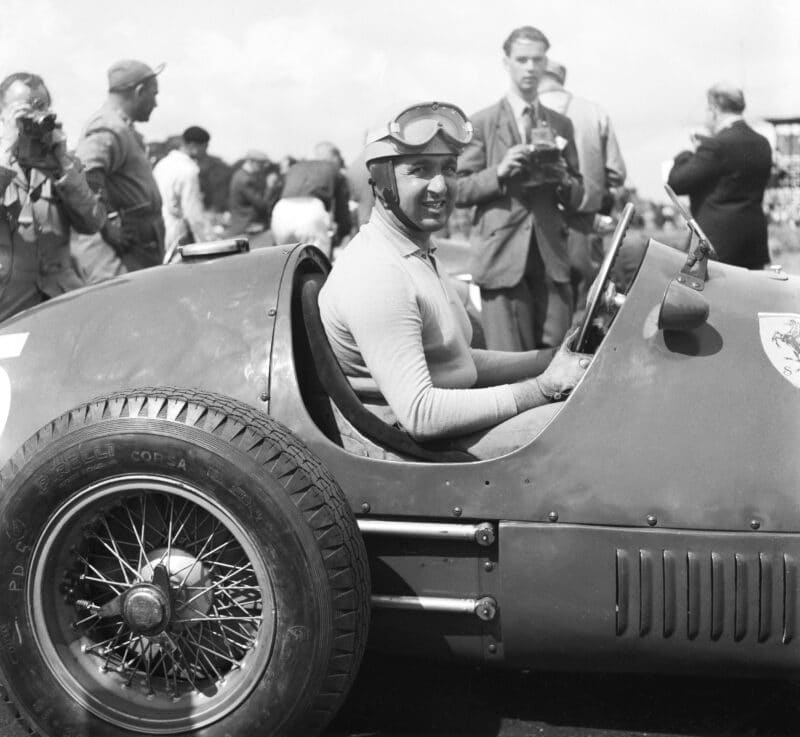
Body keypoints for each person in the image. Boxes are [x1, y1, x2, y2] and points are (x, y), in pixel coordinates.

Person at [319, 101, 590, 460]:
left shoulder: (413, 253)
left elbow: (458, 364)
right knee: (586, 426)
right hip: (418, 454)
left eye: (449, 169)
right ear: (382, 181)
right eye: (420, 170)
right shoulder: (377, 274)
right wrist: (541, 389)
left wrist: (550, 359)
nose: (440, 186)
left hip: (444, 438)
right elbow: (421, 413)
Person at [456, 26, 583, 352]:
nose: (529, 67)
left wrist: (564, 181)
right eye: (522, 59)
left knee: (559, 358)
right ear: (506, 63)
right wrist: (498, 172)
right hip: (501, 260)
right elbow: (457, 190)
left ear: (545, 64)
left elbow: (579, 193)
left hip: (550, 259)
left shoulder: (560, 124)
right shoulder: (482, 123)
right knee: (511, 366)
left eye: (537, 60)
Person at [0, 72, 105, 322]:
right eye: (24, 110)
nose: (33, 118)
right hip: (7, 306)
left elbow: (92, 222)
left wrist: (62, 164)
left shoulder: (62, 164)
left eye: (41, 108)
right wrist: (7, 147)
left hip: (59, 306)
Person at [538, 58, 626, 311]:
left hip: (536, 227)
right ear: (561, 79)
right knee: (585, 311)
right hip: (583, 225)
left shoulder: (523, 111)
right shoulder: (594, 111)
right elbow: (616, 172)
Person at [71, 59, 165, 283]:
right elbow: (83, 178)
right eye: (154, 94)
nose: (156, 103)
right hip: (118, 259)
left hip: (134, 254)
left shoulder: (121, 128)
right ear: (139, 91)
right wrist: (106, 226)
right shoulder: (109, 127)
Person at [667, 82, 773, 269]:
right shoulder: (763, 143)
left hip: (718, 244)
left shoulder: (715, 146)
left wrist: (687, 154)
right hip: (753, 243)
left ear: (714, 109)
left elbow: (677, 182)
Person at [271, 141, 352, 256]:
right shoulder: (332, 168)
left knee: (284, 260)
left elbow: (276, 195)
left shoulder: (295, 167)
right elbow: (342, 210)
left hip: (280, 212)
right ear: (334, 157)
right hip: (311, 212)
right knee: (318, 263)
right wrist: (344, 232)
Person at [153, 125, 215, 260]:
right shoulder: (188, 171)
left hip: (156, 230)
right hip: (176, 234)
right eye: (204, 147)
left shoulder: (162, 164)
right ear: (193, 146)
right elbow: (193, 213)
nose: (205, 152)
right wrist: (208, 243)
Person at [225, 149, 281, 241]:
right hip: (248, 228)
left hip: (245, 226)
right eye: (261, 163)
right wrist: (270, 187)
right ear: (251, 161)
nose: (264, 167)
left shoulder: (242, 175)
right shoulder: (245, 180)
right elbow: (262, 204)